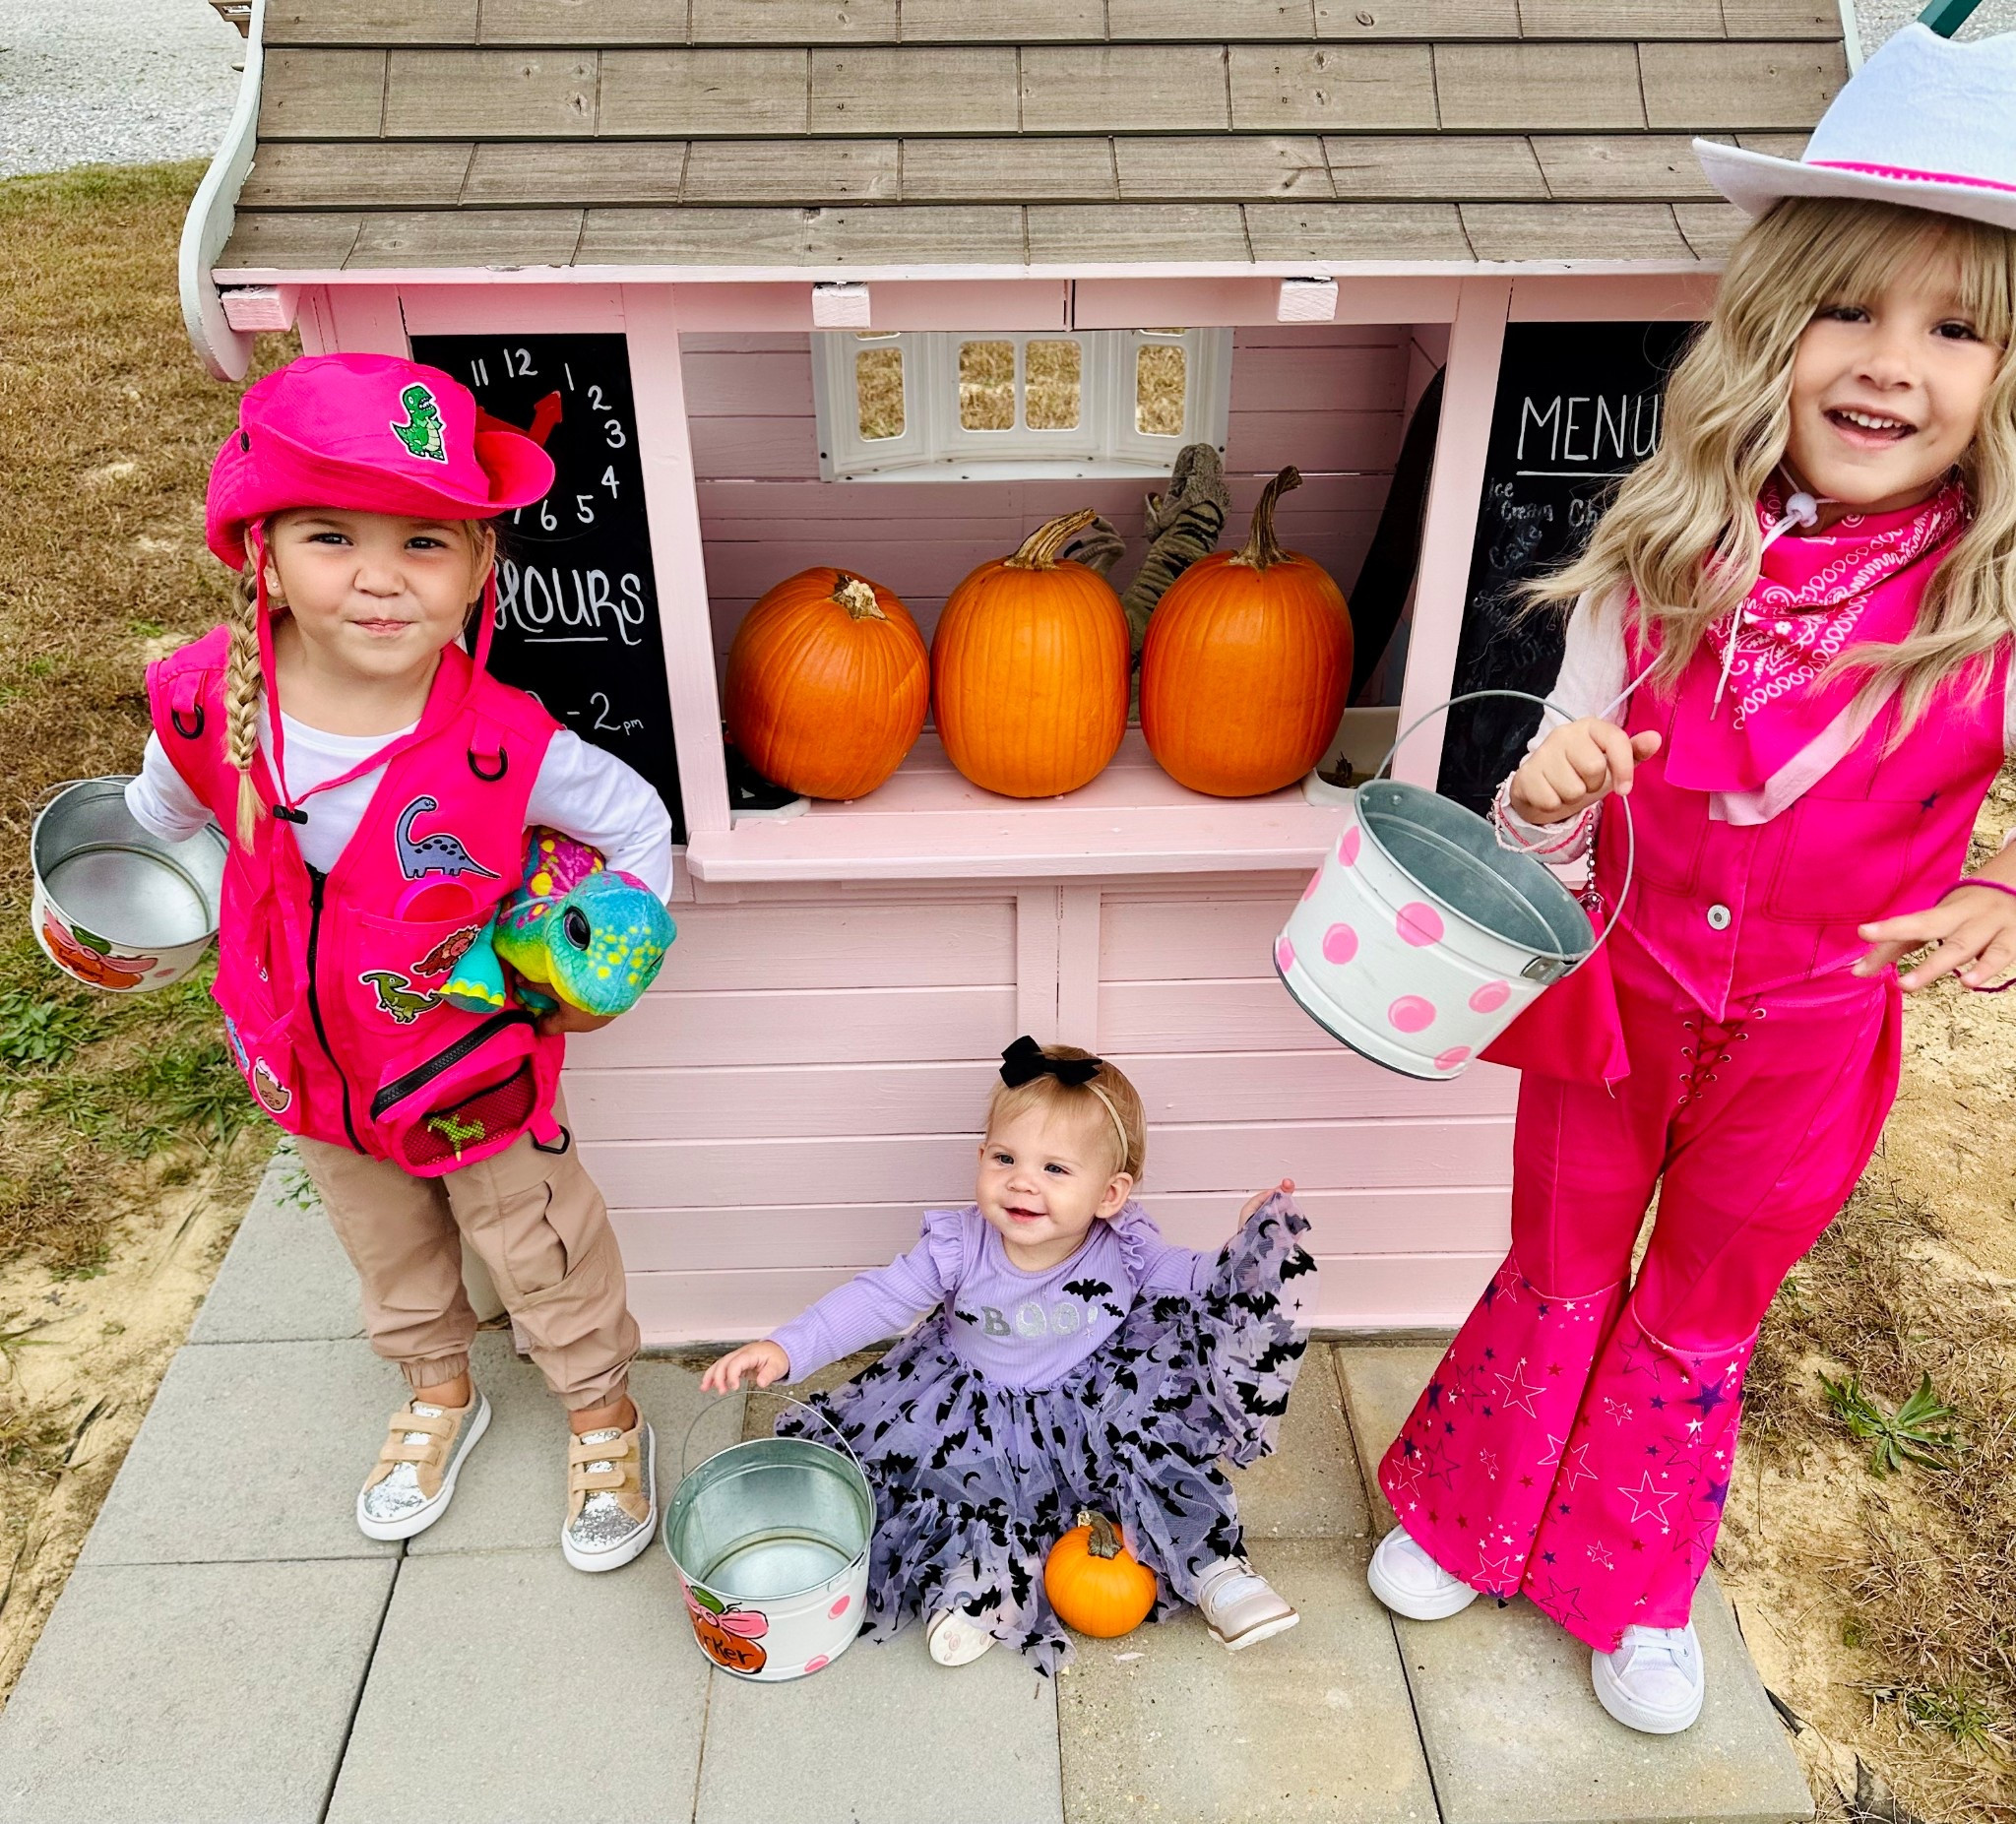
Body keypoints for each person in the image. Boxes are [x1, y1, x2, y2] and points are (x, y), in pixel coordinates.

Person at [1367, 23, 2016, 1735]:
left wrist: (2000, 899)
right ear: (1767, 328)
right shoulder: (1661, 552)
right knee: (1562, 1256)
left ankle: (1631, 1574)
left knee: (1694, 1298)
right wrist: (1547, 795)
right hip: (1618, 990)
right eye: (1848, 310)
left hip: (1811, 1035)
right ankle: (1466, 1512)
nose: (1890, 365)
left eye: (1954, 329)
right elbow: (1536, 832)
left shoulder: (1991, 606)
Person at [127, 353, 674, 1571]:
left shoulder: (501, 743)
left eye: (426, 542)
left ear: (481, 567)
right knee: (388, 1250)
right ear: (259, 550)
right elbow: (158, 821)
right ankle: (439, 1389)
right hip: (307, 1066)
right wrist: (133, 907)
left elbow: (635, 822)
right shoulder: (208, 701)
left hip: (473, 1066)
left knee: (539, 1243)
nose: (379, 577)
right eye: (332, 535)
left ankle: (599, 1409)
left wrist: (591, 961)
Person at [702, 1038, 1316, 1670]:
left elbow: (1202, 1282)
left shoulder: (1127, 1248)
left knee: (1153, 1459)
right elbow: (879, 1298)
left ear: (1109, 1194)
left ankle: (1214, 1568)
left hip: (1095, 1402)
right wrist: (788, 1345)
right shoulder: (960, 1246)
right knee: (959, 1493)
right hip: (970, 1408)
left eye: (1056, 1169)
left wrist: (1251, 1241)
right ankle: (970, 1595)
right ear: (982, 1157)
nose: (1022, 1182)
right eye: (1005, 1158)